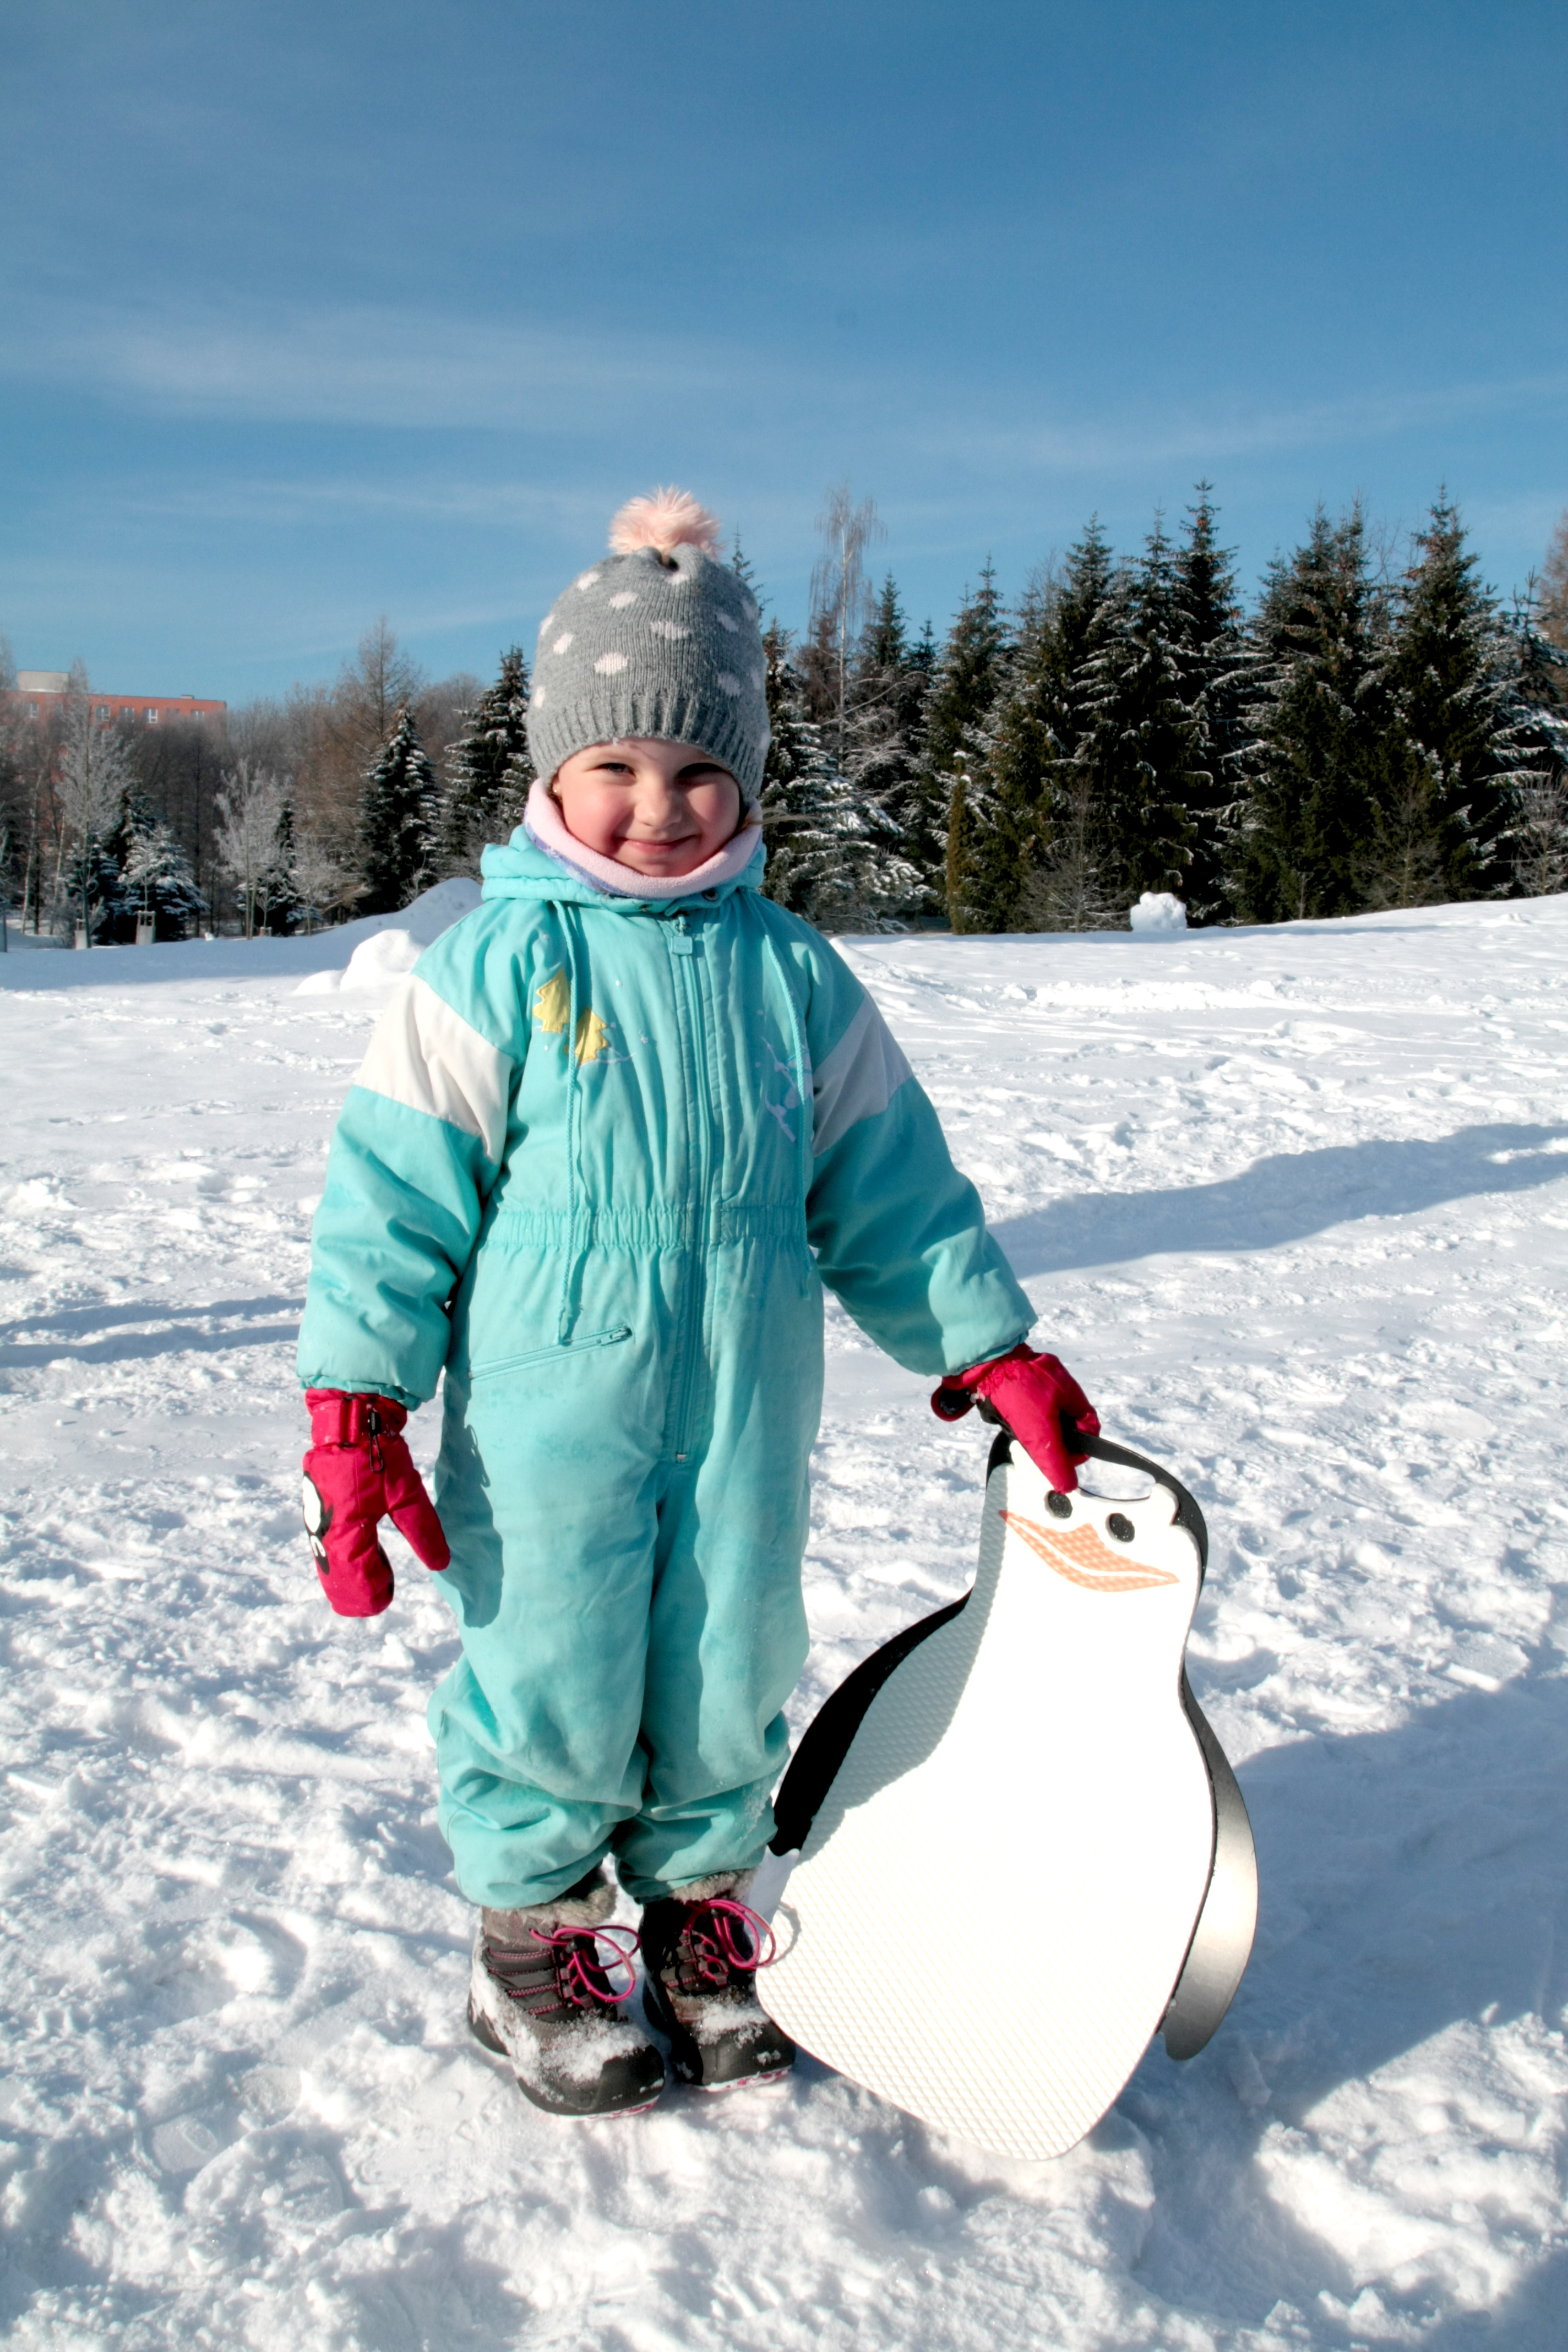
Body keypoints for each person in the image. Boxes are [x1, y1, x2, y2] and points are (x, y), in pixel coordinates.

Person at [296, 488, 1098, 2119]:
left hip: (741, 1406)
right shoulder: (495, 968)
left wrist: (989, 1343)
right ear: (556, 770)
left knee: (731, 1658)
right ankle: (533, 1943)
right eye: (618, 768)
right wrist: (356, 1404)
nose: (656, 806)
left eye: (696, 768)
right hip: (548, 1420)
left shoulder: (791, 975)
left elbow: (889, 1191)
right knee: (556, 1672)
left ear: (743, 775)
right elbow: (385, 1209)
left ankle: (700, 1927)